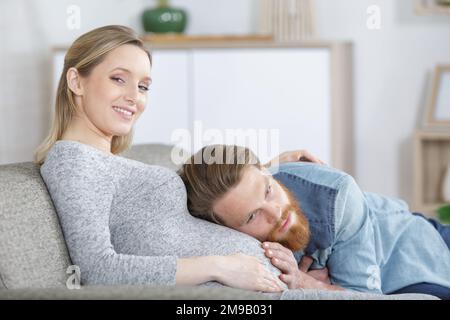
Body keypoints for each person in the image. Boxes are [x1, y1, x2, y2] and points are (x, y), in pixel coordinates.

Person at [35, 25, 322, 292]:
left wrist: (264, 171)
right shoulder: (73, 161)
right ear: (76, 81)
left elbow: (196, 201)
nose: (134, 97)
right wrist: (219, 266)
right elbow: (96, 268)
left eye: (143, 86)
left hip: (283, 283)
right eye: (118, 79)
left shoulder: (111, 162)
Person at [179, 144, 450, 299]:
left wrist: (306, 282)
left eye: (268, 190)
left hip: (413, 248)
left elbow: (367, 296)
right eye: (252, 216)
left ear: (267, 171)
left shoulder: (337, 192)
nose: (276, 213)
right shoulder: (223, 226)